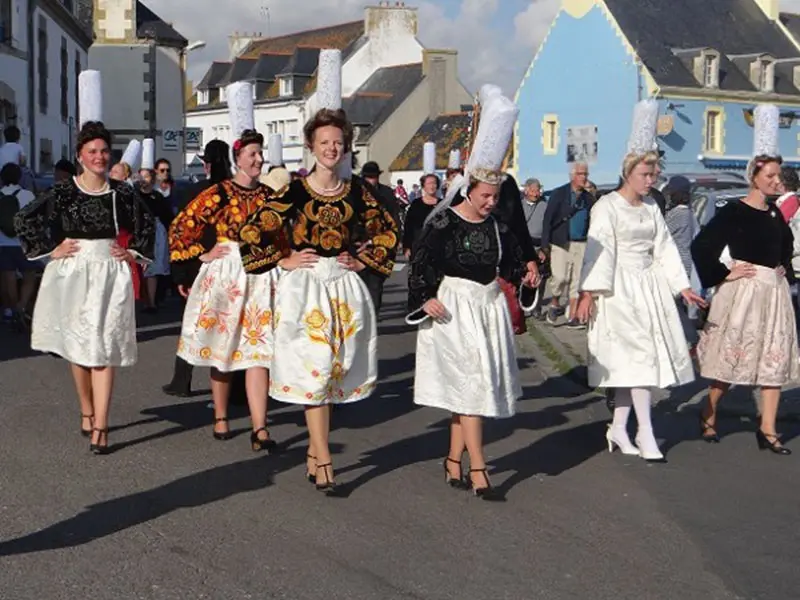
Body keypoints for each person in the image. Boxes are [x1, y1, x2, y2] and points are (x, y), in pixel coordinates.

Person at [407, 91, 539, 500]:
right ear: (469, 190)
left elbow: (513, 257)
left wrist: (527, 275)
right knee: (471, 390)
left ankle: (452, 458)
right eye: (485, 195)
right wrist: (424, 297)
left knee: (471, 388)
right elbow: (422, 260)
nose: (491, 202)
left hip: (487, 307)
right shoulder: (445, 220)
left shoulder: (497, 225)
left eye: (496, 197)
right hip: (454, 308)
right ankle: (479, 467)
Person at [268, 106, 398, 494]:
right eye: (324, 142)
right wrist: (285, 258)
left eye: (338, 143)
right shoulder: (293, 190)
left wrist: (362, 259)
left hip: (342, 289)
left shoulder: (358, 192)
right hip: (304, 289)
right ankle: (324, 455)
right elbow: (255, 229)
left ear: (346, 148)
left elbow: (389, 231)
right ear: (310, 146)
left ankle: (315, 449)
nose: (331, 148)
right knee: (315, 369)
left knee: (331, 371)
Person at [14, 120, 155, 454]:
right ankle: (87, 409)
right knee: (79, 349)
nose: (99, 156)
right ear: (80, 156)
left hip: (109, 272)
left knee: (104, 349)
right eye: (92, 151)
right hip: (73, 273)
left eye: (104, 151)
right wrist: (52, 249)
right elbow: (25, 218)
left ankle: (101, 427)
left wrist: (131, 251)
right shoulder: (64, 191)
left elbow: (147, 222)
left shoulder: (122, 192)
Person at [576, 150, 704, 462]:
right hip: (618, 290)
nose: (651, 181)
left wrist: (682, 285)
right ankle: (645, 430)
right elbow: (599, 250)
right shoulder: (607, 206)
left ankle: (620, 427)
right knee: (640, 359)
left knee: (633, 363)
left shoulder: (650, 206)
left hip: (649, 286)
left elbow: (664, 246)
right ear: (627, 174)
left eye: (654, 176)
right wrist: (589, 293)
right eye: (645, 175)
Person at [169, 127, 291, 451]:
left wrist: (287, 262)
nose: (258, 159)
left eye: (260, 153)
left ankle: (259, 427)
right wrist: (201, 254)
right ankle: (220, 415)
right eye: (252, 154)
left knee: (258, 351)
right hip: (227, 272)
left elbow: (282, 235)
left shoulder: (268, 196)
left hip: (260, 275)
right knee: (221, 347)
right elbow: (183, 224)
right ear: (238, 158)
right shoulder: (219, 193)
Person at [692, 150, 798, 455]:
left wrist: (784, 271)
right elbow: (702, 246)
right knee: (733, 359)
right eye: (770, 176)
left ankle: (768, 430)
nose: (777, 181)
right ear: (754, 178)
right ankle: (709, 410)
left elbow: (786, 250)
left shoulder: (777, 213)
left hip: (773, 295)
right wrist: (726, 272)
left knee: (772, 361)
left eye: (779, 176)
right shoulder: (734, 211)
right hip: (744, 294)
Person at [163, 139, 232, 398]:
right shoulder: (234, 191)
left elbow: (181, 232)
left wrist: (180, 273)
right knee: (229, 327)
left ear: (207, 163)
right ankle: (234, 390)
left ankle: (182, 380)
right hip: (233, 267)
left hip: (200, 266)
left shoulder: (197, 192)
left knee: (193, 325)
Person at [541, 162, 593, 328]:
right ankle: (555, 302)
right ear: (572, 175)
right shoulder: (559, 194)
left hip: (581, 243)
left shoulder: (588, 198)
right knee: (560, 277)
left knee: (576, 281)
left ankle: (572, 317)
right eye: (580, 174)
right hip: (560, 243)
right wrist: (544, 245)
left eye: (585, 174)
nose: (584, 177)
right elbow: (548, 219)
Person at [663, 175, 701, 348]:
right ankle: (683, 337)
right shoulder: (690, 213)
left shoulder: (677, 214)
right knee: (678, 303)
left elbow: (662, 233)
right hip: (687, 261)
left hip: (676, 263)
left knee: (673, 304)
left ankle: (691, 336)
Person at [359, 160, 401, 315]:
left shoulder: (386, 193)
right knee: (360, 284)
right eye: (368, 177)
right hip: (361, 245)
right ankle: (364, 317)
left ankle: (373, 314)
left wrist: (396, 239)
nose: (371, 180)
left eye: (373, 177)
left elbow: (394, 218)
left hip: (382, 243)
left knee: (376, 283)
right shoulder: (356, 193)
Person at [0, 163, 38, 327]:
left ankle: (10, 310)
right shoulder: (27, 195)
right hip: (23, 243)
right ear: (19, 177)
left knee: (8, 276)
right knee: (29, 275)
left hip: (3, 242)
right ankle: (21, 306)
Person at [521, 178, 549, 319]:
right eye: (533, 190)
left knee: (541, 278)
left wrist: (544, 249)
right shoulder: (519, 206)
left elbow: (548, 228)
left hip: (540, 246)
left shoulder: (545, 205)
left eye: (538, 190)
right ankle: (524, 304)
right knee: (525, 277)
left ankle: (537, 308)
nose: (536, 194)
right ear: (526, 190)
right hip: (524, 246)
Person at [402, 173, 439, 259]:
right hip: (418, 245)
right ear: (423, 186)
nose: (432, 186)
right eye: (429, 183)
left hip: (438, 247)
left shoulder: (442, 204)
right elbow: (408, 225)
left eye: (434, 183)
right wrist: (407, 246)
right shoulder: (416, 204)